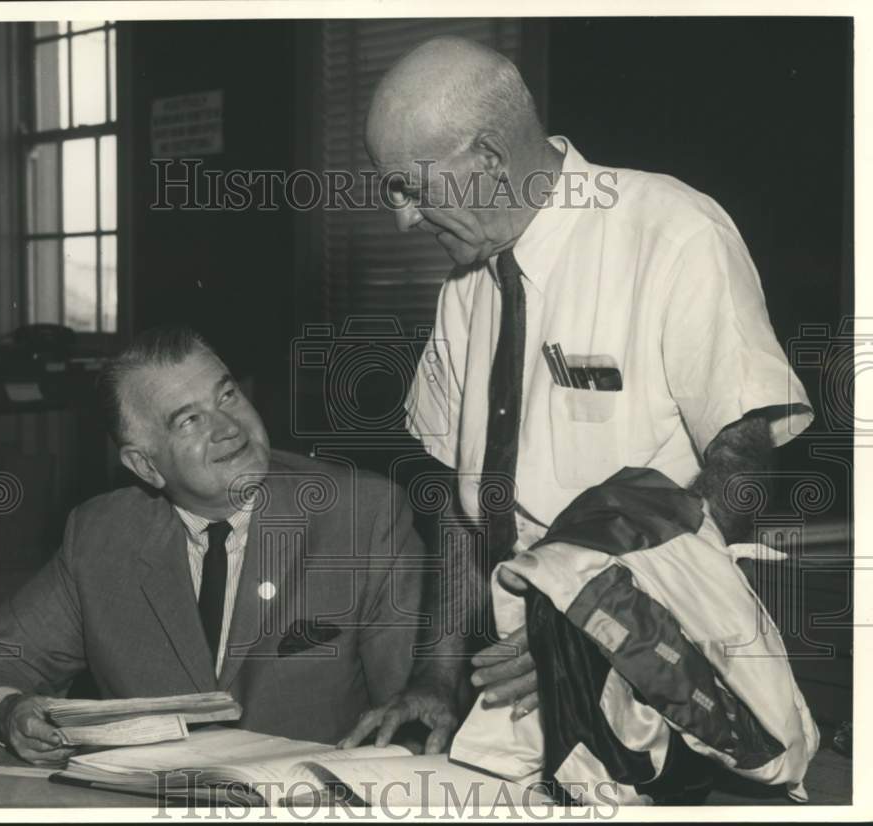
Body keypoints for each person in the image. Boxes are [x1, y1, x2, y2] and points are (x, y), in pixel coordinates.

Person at [343, 36, 813, 750]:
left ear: (490, 162)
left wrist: (600, 624)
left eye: (413, 187)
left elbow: (742, 470)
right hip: (512, 692)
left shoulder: (673, 234)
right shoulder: (465, 284)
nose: (403, 218)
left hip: (655, 678)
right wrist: (435, 679)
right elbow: (458, 503)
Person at [0, 324, 430, 765]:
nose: (228, 428)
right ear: (146, 466)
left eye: (228, 396)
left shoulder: (363, 518)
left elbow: (413, 716)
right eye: (189, 419)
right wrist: (8, 713)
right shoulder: (102, 536)